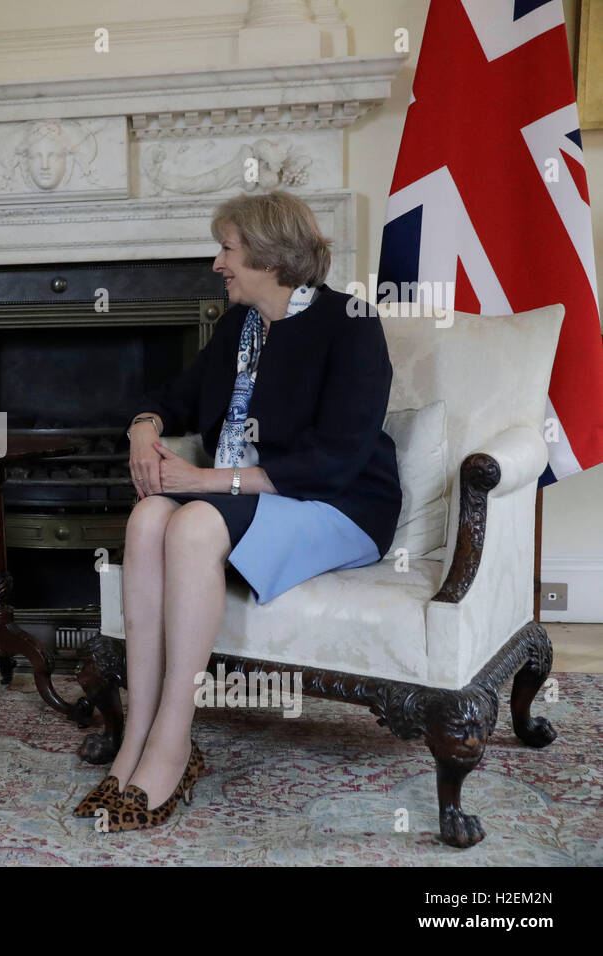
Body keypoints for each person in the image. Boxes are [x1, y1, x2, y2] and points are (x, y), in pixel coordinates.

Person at [75, 190, 402, 832]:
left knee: (194, 521)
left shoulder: (352, 323)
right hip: (250, 499)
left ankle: (173, 742)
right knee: (146, 519)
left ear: (270, 256)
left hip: (339, 503)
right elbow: (173, 395)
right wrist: (145, 427)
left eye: (227, 249)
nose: (217, 264)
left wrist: (204, 479)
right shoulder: (238, 327)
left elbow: (335, 458)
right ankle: (134, 736)